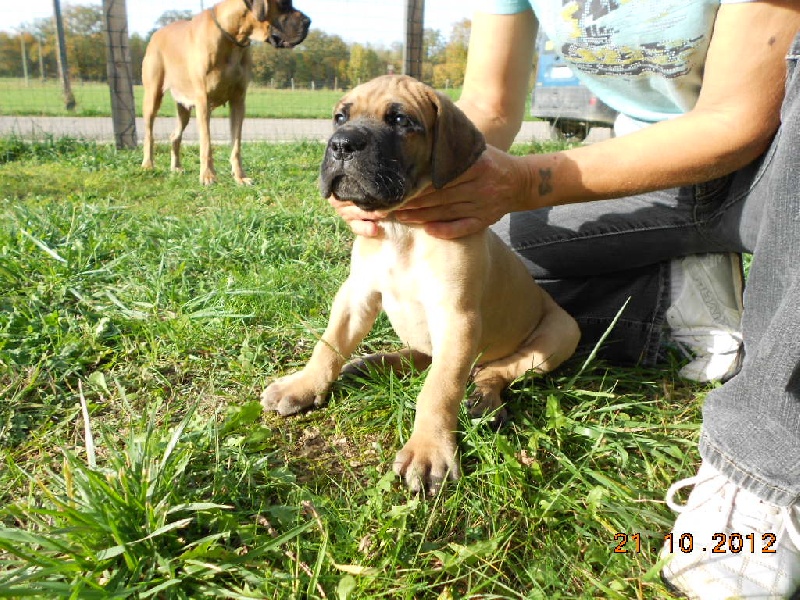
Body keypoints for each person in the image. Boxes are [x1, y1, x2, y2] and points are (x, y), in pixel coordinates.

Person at [330, 0, 800, 597]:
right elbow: (488, 106)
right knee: (470, 252)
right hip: (639, 170)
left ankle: (762, 468)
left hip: (771, 169)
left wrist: (527, 181)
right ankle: (671, 297)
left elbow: (735, 119)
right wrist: (429, 192)